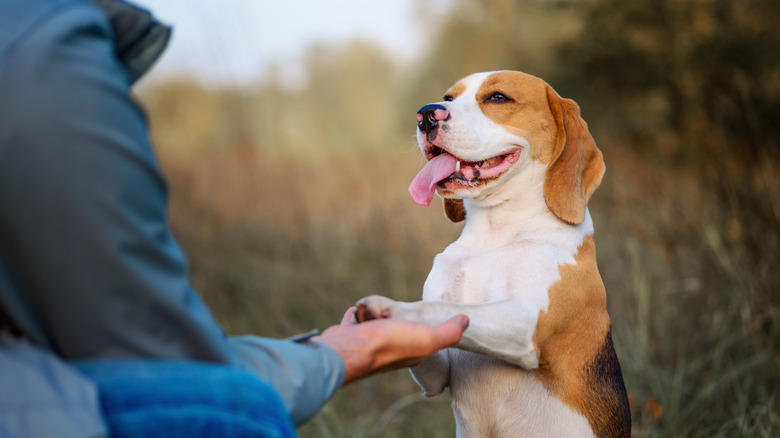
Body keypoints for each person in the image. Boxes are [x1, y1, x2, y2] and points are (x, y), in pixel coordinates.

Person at [0, 0, 469, 437]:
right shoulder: (43, 51)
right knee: (230, 408)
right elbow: (172, 370)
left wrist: (334, 353)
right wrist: (343, 355)